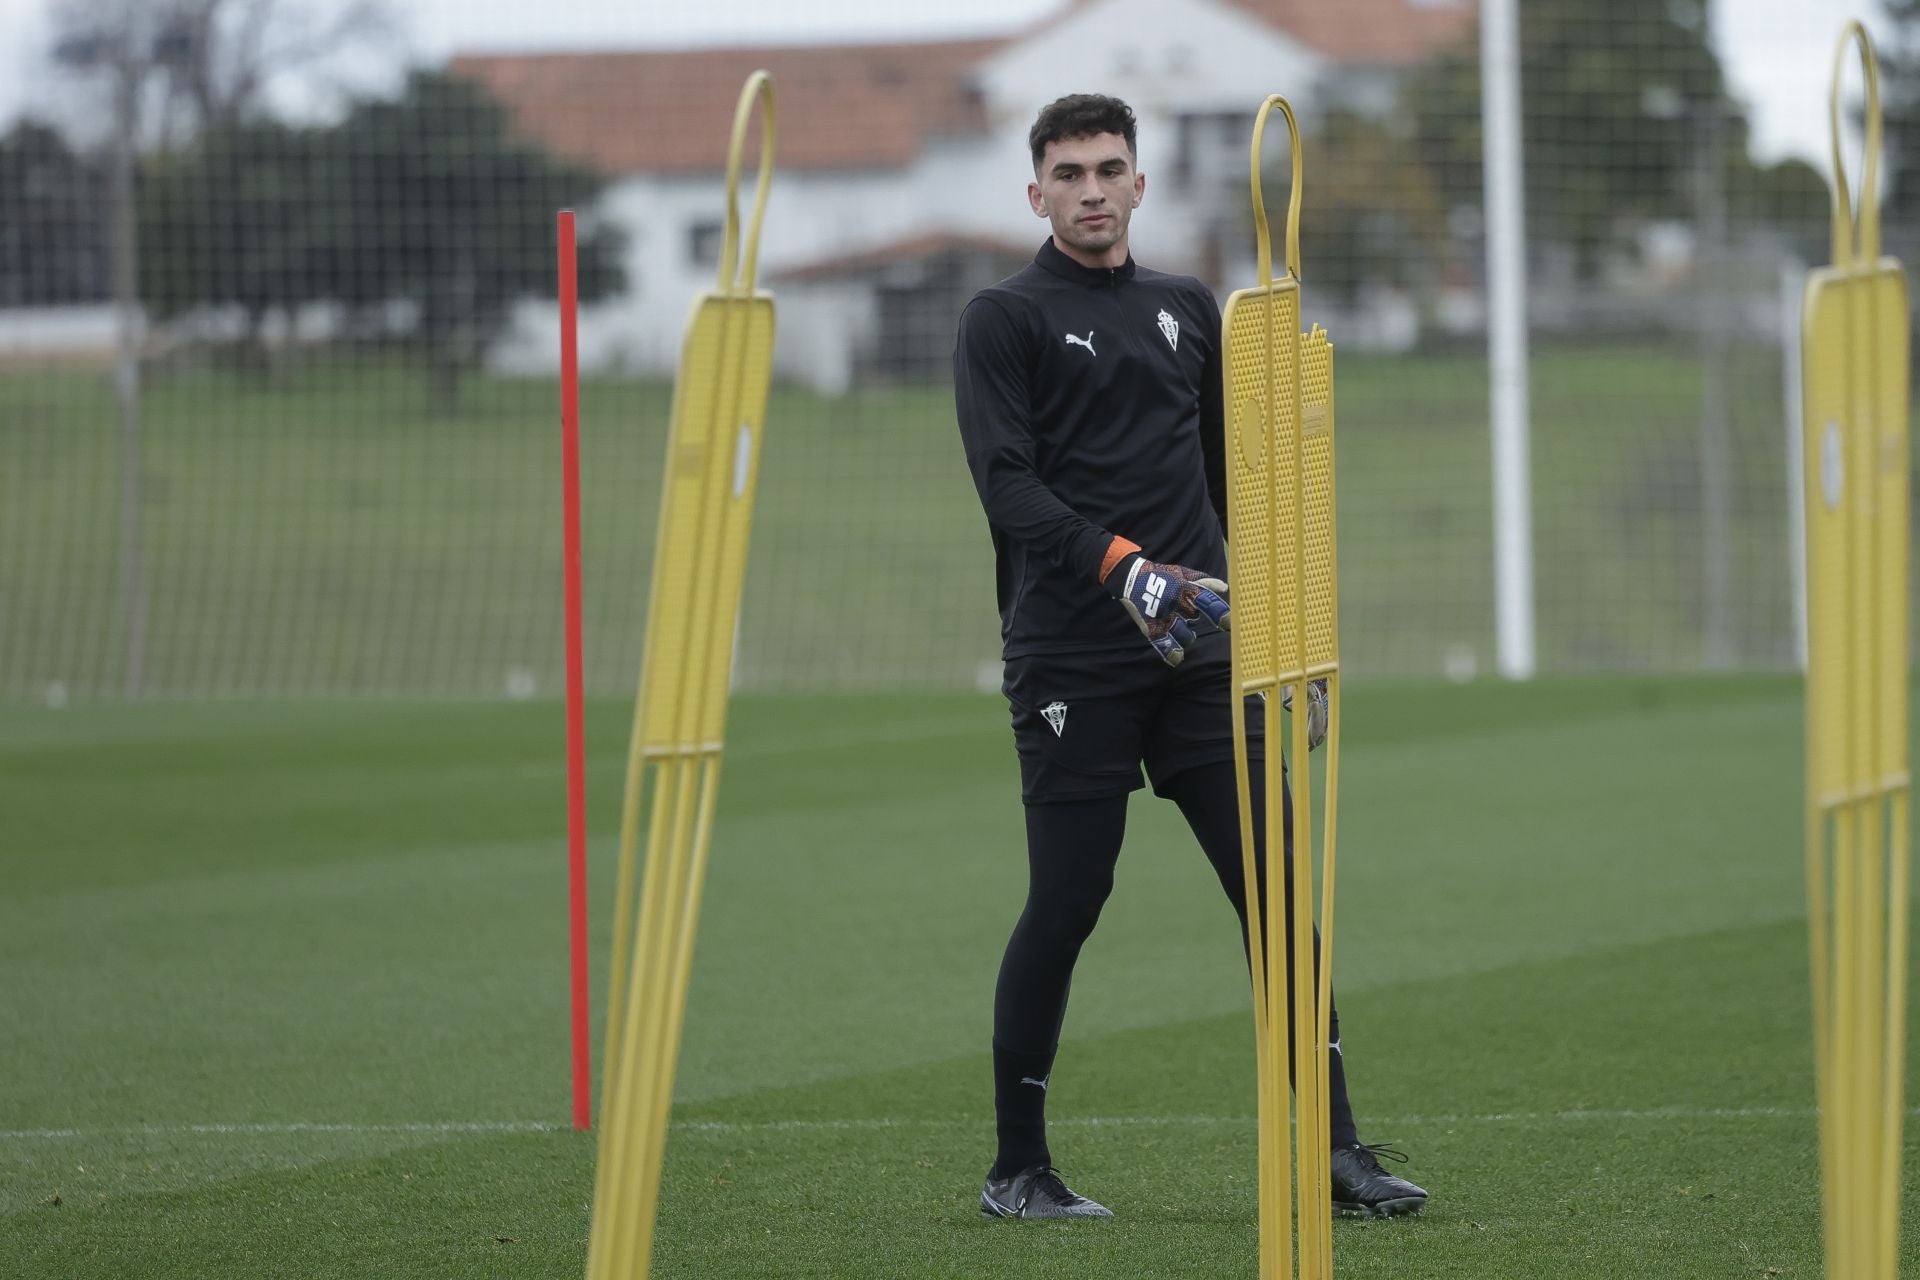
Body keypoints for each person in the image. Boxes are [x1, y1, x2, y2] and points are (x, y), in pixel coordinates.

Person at [953, 92, 1428, 1222]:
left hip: (1202, 654)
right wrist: (1121, 565)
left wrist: (1296, 638)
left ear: (1141, 184)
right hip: (1074, 652)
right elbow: (1007, 484)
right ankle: (1018, 1166)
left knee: (1274, 888)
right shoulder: (1001, 318)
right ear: (1037, 194)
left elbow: (1242, 485)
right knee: (1070, 896)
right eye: (1068, 174)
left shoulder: (1185, 306)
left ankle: (1338, 1151)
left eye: (1110, 169)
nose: (1092, 191)